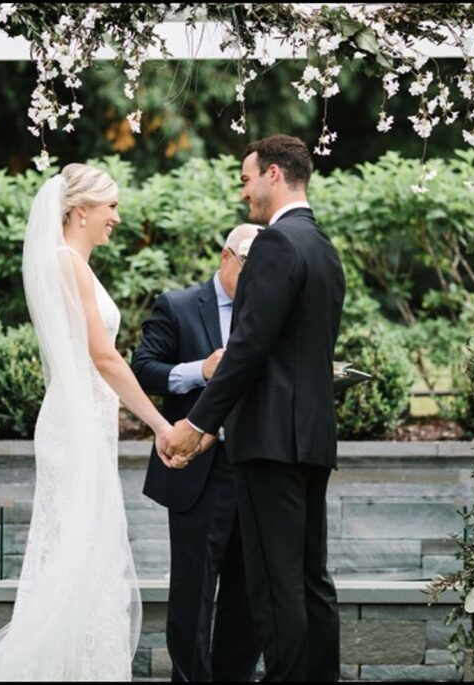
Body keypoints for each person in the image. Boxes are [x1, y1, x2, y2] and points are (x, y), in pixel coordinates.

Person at [0, 164, 175, 681]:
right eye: (111, 207)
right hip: (75, 427)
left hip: (82, 422)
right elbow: (104, 359)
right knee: (82, 557)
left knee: (83, 557)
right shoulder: (68, 264)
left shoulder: (67, 263)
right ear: (81, 210)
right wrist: (159, 424)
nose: (117, 218)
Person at [162, 135, 345, 681]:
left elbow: (247, 347)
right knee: (312, 581)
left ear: (272, 174)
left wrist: (197, 425)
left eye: (246, 180)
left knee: (274, 584)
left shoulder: (274, 244)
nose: (244, 193)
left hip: (268, 443)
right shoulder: (323, 247)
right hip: (311, 440)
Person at [132, 224, 263, 682]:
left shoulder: (269, 309)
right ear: (227, 257)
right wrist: (198, 370)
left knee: (247, 593)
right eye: (251, 266)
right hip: (199, 469)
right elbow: (142, 369)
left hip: (255, 467)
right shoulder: (179, 305)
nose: (259, 278)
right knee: (193, 590)